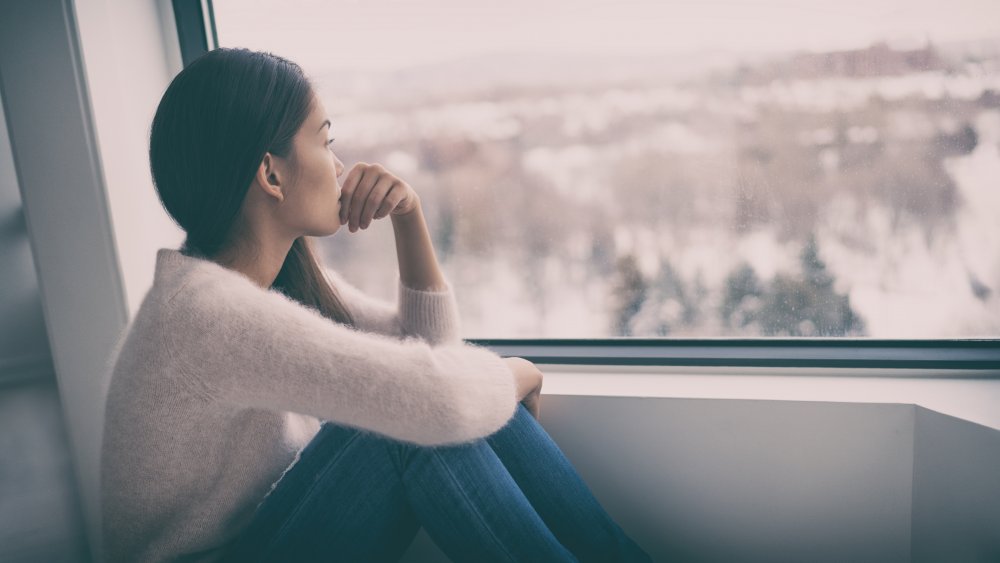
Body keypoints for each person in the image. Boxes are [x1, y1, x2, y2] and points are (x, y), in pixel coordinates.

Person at [100, 46, 651, 562]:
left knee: (435, 403)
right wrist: (517, 374)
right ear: (271, 174)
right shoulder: (207, 314)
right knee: (411, 419)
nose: (339, 167)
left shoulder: (268, 281)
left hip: (275, 532)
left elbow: (431, 356)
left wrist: (410, 219)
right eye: (325, 142)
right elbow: (437, 401)